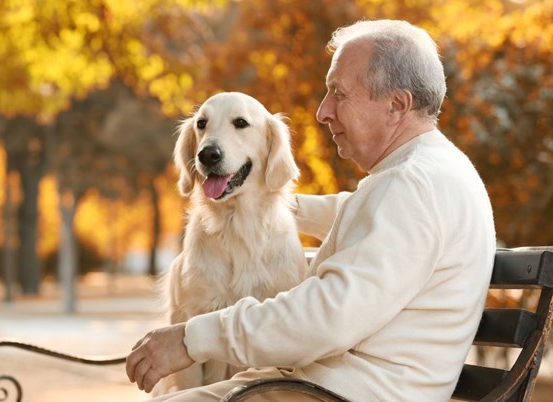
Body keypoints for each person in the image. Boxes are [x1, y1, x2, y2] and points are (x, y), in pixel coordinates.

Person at [125, 19, 496, 401]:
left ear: (396, 105)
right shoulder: (423, 172)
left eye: (339, 94)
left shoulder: (413, 185)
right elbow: (355, 212)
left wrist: (192, 339)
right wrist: (264, 203)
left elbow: (326, 317)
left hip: (337, 393)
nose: (322, 112)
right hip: (321, 384)